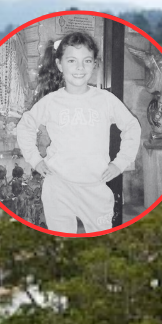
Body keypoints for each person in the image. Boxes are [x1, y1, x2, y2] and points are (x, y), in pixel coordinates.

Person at [15, 31, 141, 234]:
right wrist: (36, 160)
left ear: (94, 64)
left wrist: (119, 163)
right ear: (59, 65)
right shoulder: (51, 102)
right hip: (58, 186)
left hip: (95, 187)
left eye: (87, 61)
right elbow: (25, 126)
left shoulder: (105, 100)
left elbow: (132, 127)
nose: (80, 68)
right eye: (72, 61)